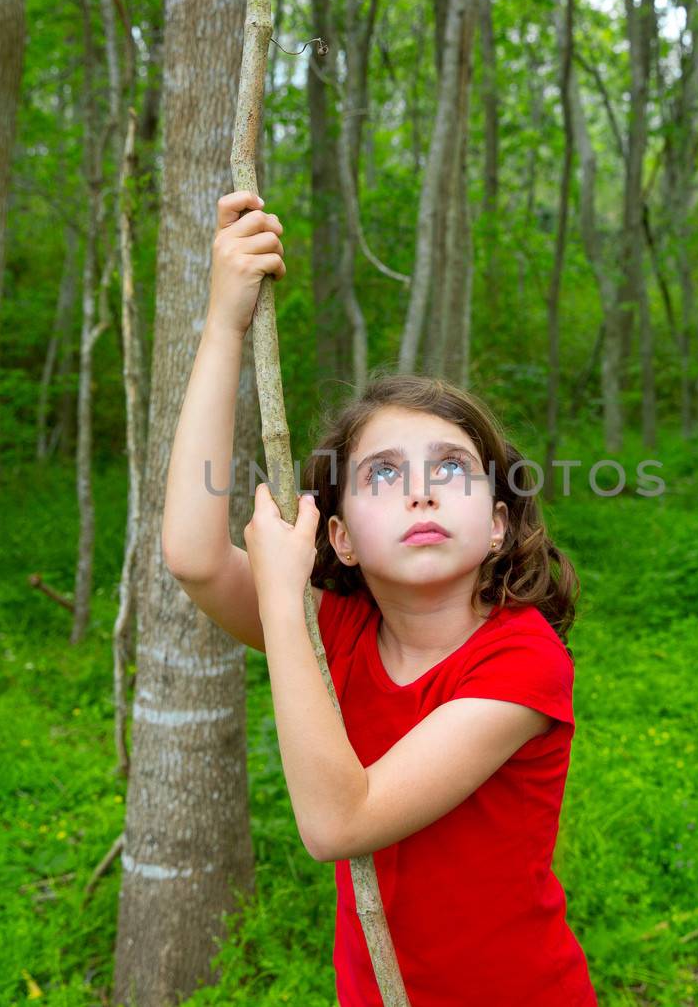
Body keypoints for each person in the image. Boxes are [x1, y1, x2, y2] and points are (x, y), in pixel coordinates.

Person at [162, 190, 596, 1005]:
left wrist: (288, 603)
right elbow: (191, 555)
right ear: (342, 537)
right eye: (384, 474)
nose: (423, 492)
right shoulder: (343, 628)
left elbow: (338, 822)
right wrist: (223, 324)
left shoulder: (523, 660)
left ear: (497, 524)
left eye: (452, 468)